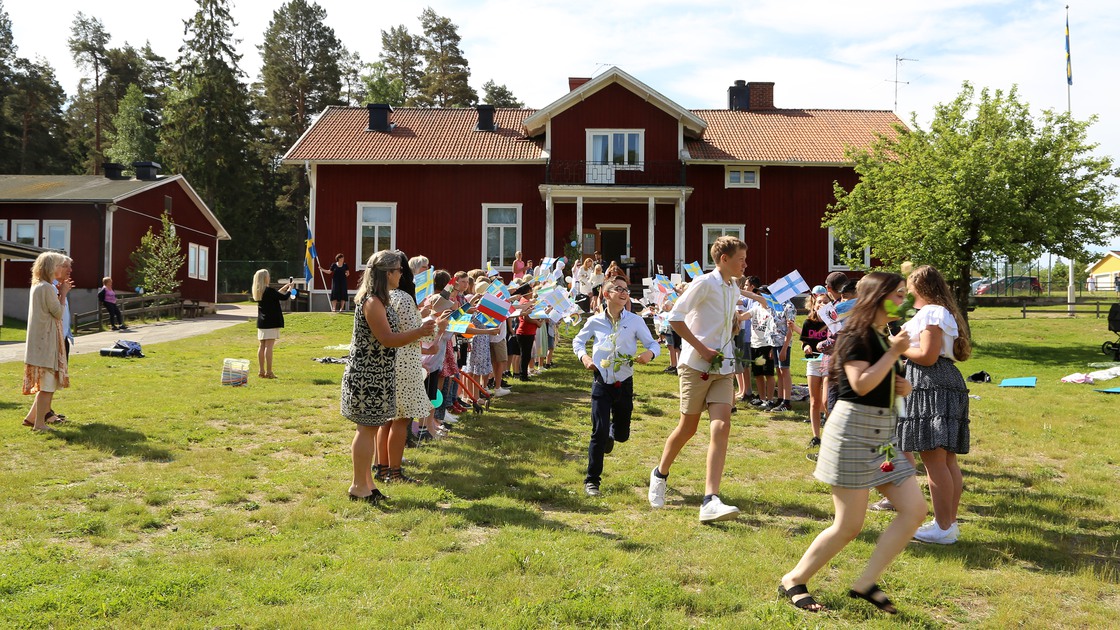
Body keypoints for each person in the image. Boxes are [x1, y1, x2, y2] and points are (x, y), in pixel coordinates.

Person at [779, 272, 926, 615]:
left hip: (883, 438)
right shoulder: (856, 335)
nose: (902, 301)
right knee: (849, 524)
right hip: (852, 435)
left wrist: (900, 385)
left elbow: (878, 383)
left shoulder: (880, 334)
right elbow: (859, 384)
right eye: (898, 295)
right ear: (878, 297)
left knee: (915, 510)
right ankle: (794, 579)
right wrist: (895, 355)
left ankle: (866, 582)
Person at [649, 235, 747, 523]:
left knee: (721, 426)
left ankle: (710, 499)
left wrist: (733, 325)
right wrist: (702, 347)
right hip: (695, 365)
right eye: (741, 259)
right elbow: (675, 318)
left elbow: (724, 320)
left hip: (723, 366)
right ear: (724, 260)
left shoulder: (733, 286)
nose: (745, 264)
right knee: (688, 427)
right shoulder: (704, 283)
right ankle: (660, 473)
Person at [342, 250, 437, 503]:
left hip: (378, 374)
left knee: (370, 430)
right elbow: (387, 339)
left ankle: (367, 484)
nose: (401, 274)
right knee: (366, 430)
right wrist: (420, 331)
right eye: (398, 270)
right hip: (367, 376)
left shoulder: (379, 300)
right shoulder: (372, 302)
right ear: (387, 274)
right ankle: (358, 487)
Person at [900, 265, 972, 544]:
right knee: (946, 460)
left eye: (909, 287)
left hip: (932, 382)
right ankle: (947, 524)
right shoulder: (942, 311)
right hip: (943, 381)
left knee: (935, 460)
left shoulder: (931, 312)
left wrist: (897, 346)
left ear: (919, 287)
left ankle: (943, 528)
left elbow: (928, 356)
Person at [572, 276, 660, 496]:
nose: (623, 292)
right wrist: (584, 358)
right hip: (601, 381)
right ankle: (592, 480)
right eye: (618, 289)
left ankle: (613, 434)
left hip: (624, 382)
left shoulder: (635, 321)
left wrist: (649, 353)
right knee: (597, 432)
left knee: (621, 434)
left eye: (626, 290)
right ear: (605, 294)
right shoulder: (595, 321)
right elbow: (578, 341)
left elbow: (653, 343)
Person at [22, 253, 72, 432]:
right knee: (47, 387)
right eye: (60, 265)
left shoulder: (39, 286)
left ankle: (31, 418)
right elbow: (58, 313)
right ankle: (40, 425)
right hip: (46, 344)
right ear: (51, 267)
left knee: (47, 384)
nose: (63, 268)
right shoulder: (47, 288)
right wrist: (63, 293)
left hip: (41, 343)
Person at [801, 286, 831, 458]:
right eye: (819, 302)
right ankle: (816, 436)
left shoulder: (833, 322)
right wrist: (806, 347)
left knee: (826, 400)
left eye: (826, 302)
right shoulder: (808, 322)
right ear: (814, 304)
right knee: (814, 401)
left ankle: (828, 434)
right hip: (812, 362)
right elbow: (804, 342)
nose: (822, 304)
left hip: (828, 362)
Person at [251, 269, 293, 379]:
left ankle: (261, 371)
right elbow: (283, 297)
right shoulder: (269, 291)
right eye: (268, 276)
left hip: (262, 322)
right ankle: (269, 372)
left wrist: (284, 288)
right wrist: (290, 289)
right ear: (265, 278)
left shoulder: (259, 291)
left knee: (262, 346)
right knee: (269, 347)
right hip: (271, 321)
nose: (269, 277)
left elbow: (275, 294)